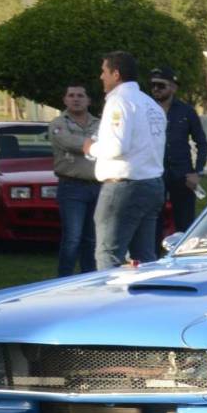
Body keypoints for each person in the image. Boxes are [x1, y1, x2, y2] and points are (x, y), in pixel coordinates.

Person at [89, 51, 166, 269]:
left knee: (108, 254)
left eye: (104, 71)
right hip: (152, 183)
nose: (100, 77)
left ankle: (111, 302)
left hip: (124, 187)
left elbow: (116, 147)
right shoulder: (151, 105)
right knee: (145, 258)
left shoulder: (119, 102)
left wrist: (91, 147)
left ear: (116, 74)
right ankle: (149, 301)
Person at [149, 66, 207, 251]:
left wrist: (196, 172)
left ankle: (183, 257)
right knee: (152, 220)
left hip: (182, 173)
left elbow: (202, 143)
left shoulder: (186, 111)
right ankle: (152, 258)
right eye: (153, 85)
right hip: (154, 171)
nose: (156, 89)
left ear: (173, 88)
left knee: (185, 222)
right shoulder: (146, 109)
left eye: (161, 85)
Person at [48, 84, 99, 276]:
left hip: (97, 186)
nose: (76, 99)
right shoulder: (58, 123)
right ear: (65, 100)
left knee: (91, 239)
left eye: (80, 95)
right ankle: (64, 279)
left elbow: (109, 141)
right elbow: (66, 141)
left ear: (88, 100)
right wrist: (95, 145)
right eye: (71, 95)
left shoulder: (99, 123)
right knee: (72, 238)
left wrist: (87, 145)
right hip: (71, 187)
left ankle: (90, 278)